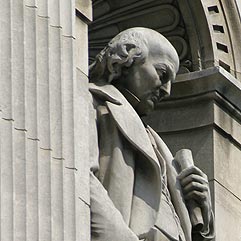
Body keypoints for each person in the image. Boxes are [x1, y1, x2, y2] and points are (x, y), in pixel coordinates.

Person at [88, 27, 215, 241]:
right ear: (127, 58)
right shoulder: (92, 102)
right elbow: (79, 176)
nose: (167, 90)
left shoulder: (158, 143)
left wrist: (204, 214)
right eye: (162, 74)